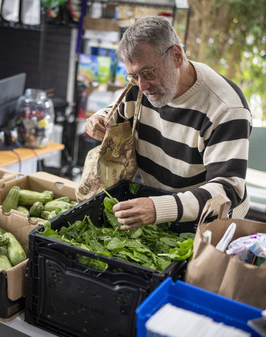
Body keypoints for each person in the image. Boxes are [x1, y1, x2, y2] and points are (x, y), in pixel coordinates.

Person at [84, 16, 251, 230]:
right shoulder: (142, 84)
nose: (142, 86)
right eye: (134, 76)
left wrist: (159, 208)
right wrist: (99, 118)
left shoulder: (226, 108)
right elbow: (120, 111)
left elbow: (227, 190)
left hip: (208, 218)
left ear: (176, 56)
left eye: (148, 73)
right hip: (156, 201)